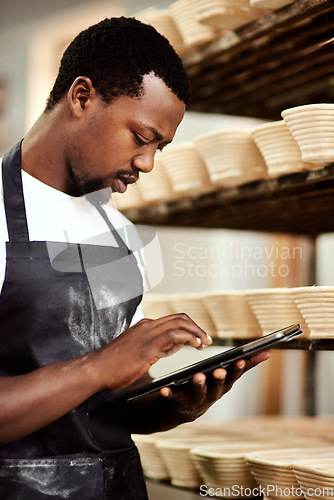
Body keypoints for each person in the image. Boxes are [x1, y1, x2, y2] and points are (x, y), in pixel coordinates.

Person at [0, 16, 271, 499]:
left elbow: (115, 405)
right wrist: (98, 366)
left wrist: (175, 405)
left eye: (159, 149)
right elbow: (103, 369)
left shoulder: (118, 233)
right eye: (141, 138)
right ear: (82, 97)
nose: (146, 163)